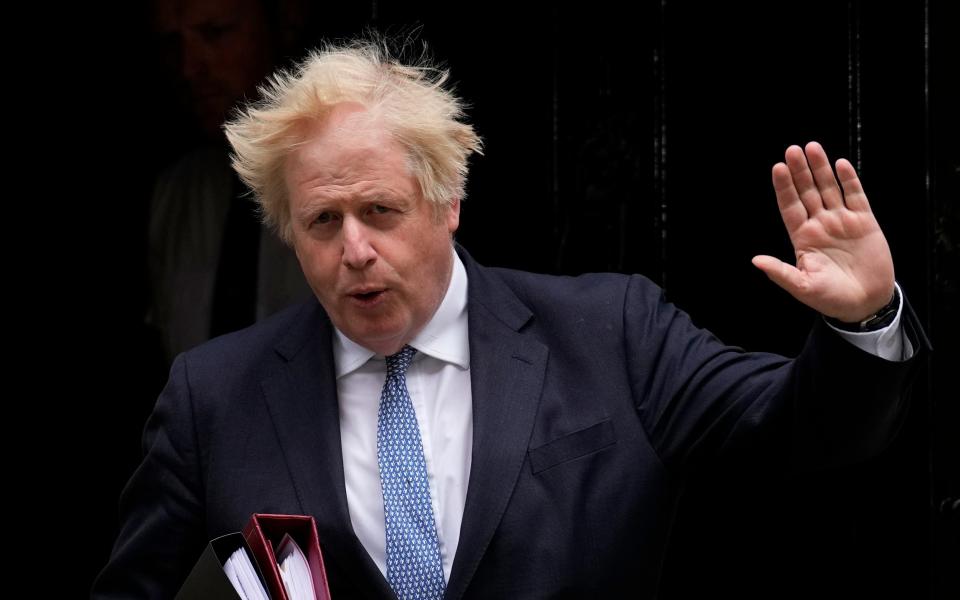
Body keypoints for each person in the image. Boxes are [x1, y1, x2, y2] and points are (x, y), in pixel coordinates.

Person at [93, 39, 926, 599]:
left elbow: (800, 432)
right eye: (322, 222)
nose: (354, 249)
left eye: (380, 211)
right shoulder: (215, 396)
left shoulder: (613, 332)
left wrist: (863, 325)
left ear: (448, 202)